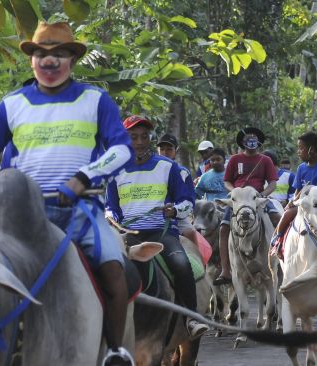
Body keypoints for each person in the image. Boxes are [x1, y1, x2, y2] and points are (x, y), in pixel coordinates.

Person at [0, 21, 134, 365]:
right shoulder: (13, 104)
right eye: (41, 53)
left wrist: (84, 177)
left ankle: (115, 350)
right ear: (31, 60)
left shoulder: (95, 100)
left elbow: (122, 149)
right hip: (21, 215)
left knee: (115, 270)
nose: (50, 61)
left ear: (72, 59)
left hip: (81, 212)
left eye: (59, 53)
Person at [107, 116, 208, 339]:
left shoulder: (169, 167)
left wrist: (174, 210)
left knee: (181, 263)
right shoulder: (115, 171)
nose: (140, 142)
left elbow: (187, 201)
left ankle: (191, 318)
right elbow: (110, 206)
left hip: (162, 232)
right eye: (134, 137)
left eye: (144, 137)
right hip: (126, 236)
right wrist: (111, 218)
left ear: (150, 139)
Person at [213, 127, 279, 285]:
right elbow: (227, 181)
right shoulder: (235, 160)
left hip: (257, 198)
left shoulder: (265, 160)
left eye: (254, 138)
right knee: (223, 228)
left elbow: (272, 183)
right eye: (248, 138)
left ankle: (280, 259)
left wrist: (263, 194)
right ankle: (226, 270)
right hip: (238, 200)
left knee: (277, 218)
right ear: (242, 142)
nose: (251, 140)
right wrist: (234, 191)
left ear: (259, 141)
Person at [269, 132, 317, 258]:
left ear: (311, 150)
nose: (298, 151)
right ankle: (278, 240)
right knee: (287, 214)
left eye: (301, 148)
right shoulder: (301, 168)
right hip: (304, 205)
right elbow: (298, 190)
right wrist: (293, 201)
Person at [156, 133, 201, 248]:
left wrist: (175, 210)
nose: (165, 153)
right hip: (152, 215)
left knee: (190, 232)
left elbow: (189, 201)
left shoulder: (182, 172)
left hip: (175, 216)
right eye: (162, 149)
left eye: (169, 149)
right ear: (157, 150)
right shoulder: (149, 170)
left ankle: (199, 263)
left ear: (176, 150)